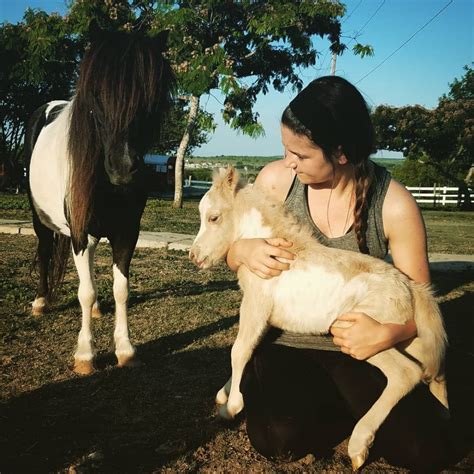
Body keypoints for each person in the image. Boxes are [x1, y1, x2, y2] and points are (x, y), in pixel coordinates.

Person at [225, 76, 452, 470]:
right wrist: (242, 250)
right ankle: (319, 402)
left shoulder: (394, 205)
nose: (289, 161)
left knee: (420, 450)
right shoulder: (276, 182)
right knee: (276, 438)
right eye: (285, 148)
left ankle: (345, 403)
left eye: (301, 153)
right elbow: (231, 252)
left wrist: (387, 334)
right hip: (289, 340)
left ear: (341, 153)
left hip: (357, 346)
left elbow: (420, 301)